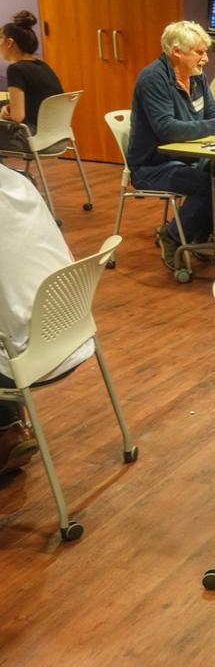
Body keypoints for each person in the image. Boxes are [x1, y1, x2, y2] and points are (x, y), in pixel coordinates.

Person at [127, 21, 215, 270]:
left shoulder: (198, 78)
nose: (206, 58)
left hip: (191, 158)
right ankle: (172, 236)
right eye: (199, 52)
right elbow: (167, 130)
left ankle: (205, 231)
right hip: (152, 165)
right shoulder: (153, 79)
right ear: (177, 51)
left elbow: (212, 114)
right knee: (209, 187)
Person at [0, 165, 95, 475]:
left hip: (26, 359)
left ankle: (8, 430)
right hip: (72, 333)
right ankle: (11, 428)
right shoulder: (20, 180)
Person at [0, 11, 63, 153]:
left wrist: (7, 114)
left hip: (32, 139)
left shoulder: (15, 69)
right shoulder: (43, 66)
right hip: (58, 139)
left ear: (9, 42)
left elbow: (17, 117)